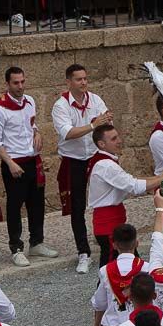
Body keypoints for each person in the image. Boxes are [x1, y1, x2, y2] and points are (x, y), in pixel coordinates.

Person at [0, 66, 57, 267]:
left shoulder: (30, 102)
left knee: (37, 203)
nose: (20, 86)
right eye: (16, 83)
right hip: (14, 163)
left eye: (22, 82)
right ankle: (16, 247)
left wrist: (37, 134)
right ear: (7, 84)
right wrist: (9, 163)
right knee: (14, 206)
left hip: (32, 160)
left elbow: (32, 125)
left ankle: (36, 242)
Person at [87, 124, 163, 266]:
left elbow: (132, 180)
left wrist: (162, 177)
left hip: (113, 219)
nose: (119, 141)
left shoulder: (105, 162)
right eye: (114, 139)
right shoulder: (106, 165)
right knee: (110, 267)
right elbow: (134, 186)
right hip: (108, 222)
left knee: (129, 264)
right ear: (101, 144)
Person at [52, 65, 111, 274]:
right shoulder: (60, 106)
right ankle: (83, 251)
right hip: (74, 159)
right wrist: (94, 125)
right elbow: (67, 133)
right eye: (78, 80)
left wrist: (104, 124)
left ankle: (103, 240)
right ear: (69, 82)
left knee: (101, 200)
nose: (84, 83)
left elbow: (106, 123)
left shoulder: (95, 100)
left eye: (85, 78)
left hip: (94, 156)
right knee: (77, 207)